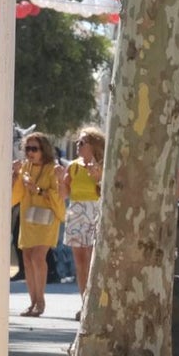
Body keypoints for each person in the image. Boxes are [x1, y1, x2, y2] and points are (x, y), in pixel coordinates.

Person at [11, 132, 65, 317]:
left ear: (44, 150)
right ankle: (32, 301)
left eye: (34, 149)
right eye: (27, 148)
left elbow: (59, 196)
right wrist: (14, 176)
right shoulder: (24, 167)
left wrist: (39, 190)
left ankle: (40, 301)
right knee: (26, 258)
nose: (30, 152)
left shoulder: (52, 169)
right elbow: (14, 196)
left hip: (48, 219)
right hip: (28, 218)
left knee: (37, 257)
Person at [62, 127, 105, 319]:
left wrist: (97, 178)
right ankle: (84, 303)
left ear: (93, 145)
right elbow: (64, 194)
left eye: (82, 143)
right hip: (76, 212)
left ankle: (95, 304)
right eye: (77, 142)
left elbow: (105, 192)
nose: (78, 146)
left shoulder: (104, 165)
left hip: (94, 212)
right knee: (80, 262)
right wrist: (59, 180)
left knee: (93, 260)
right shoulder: (73, 166)